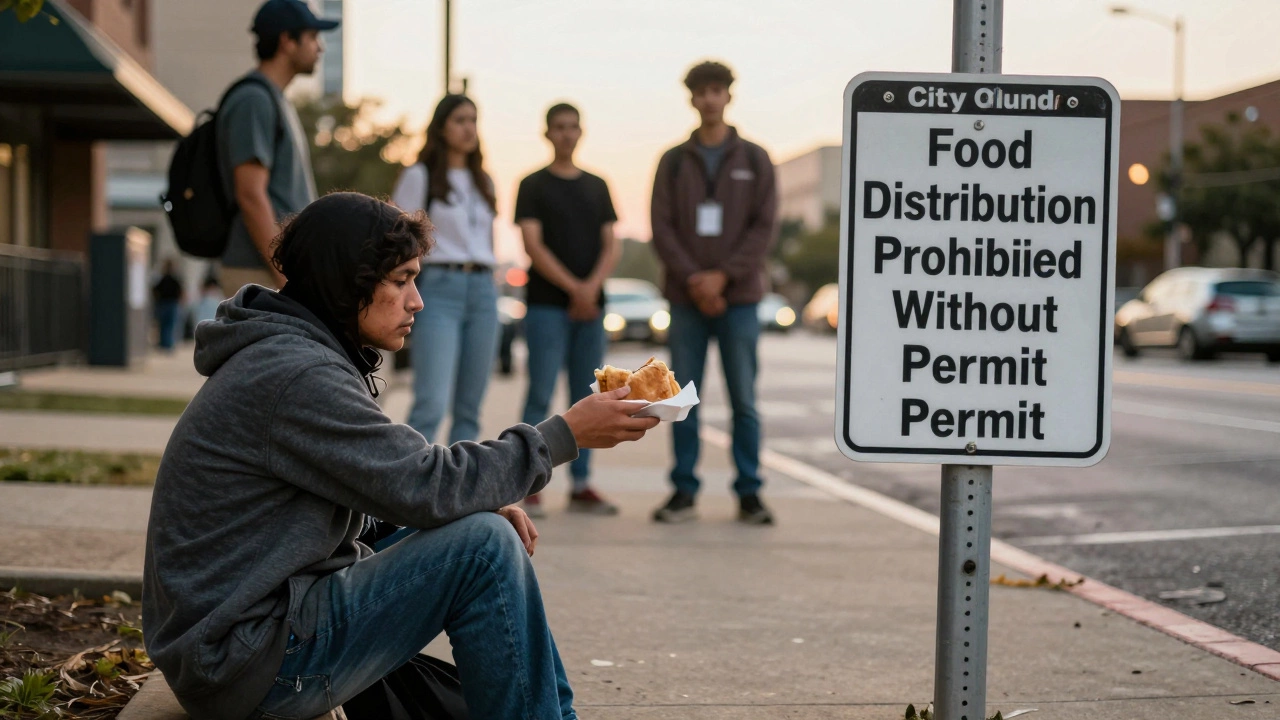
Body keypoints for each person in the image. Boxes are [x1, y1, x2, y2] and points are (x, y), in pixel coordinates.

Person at [142, 192, 660, 719]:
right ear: (347, 281)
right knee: (482, 547)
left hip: (246, 640)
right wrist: (562, 434)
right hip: (248, 661)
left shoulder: (294, 355)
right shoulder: (297, 375)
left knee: (479, 526)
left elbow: (385, 501)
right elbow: (429, 484)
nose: (417, 301)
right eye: (400, 280)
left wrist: (474, 504)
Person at [649, 60, 779, 526]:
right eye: (701, 92)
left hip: (739, 299)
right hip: (686, 301)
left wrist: (722, 277)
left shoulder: (755, 159)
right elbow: (661, 228)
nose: (709, 99)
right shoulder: (673, 160)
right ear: (691, 99)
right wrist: (696, 280)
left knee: (744, 399)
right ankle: (683, 491)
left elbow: (763, 228)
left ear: (729, 96)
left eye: (717, 91)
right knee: (681, 399)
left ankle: (750, 493)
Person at [515, 103, 622, 518]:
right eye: (558, 128)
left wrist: (589, 289)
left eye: (572, 127)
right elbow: (532, 244)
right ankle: (528, 482)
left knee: (589, 397)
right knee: (539, 393)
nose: (566, 134)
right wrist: (573, 288)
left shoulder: (598, 185)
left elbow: (611, 242)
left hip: (591, 309)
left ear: (581, 132)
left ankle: (581, 485)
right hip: (546, 305)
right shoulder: (532, 184)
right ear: (548, 133)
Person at [392, 94, 500, 444]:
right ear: (441, 127)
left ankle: (463, 493)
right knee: (431, 402)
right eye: (459, 120)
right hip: (439, 287)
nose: (469, 128)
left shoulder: (484, 180)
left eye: (473, 120)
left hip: (484, 289)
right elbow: (398, 240)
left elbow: (488, 241)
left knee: (470, 408)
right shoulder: (419, 175)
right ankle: (406, 486)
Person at [216, 0, 337, 297]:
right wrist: (286, 277)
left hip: (272, 271)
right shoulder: (254, 101)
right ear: (287, 41)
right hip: (258, 273)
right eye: (312, 37)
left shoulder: (275, 99)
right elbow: (250, 194)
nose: (320, 48)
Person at [152, 258, 183, 351]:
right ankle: (168, 344)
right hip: (172, 304)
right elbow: (180, 292)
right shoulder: (175, 280)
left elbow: (155, 290)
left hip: (163, 303)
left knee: (163, 325)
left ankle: (163, 343)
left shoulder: (162, 279)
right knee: (170, 325)